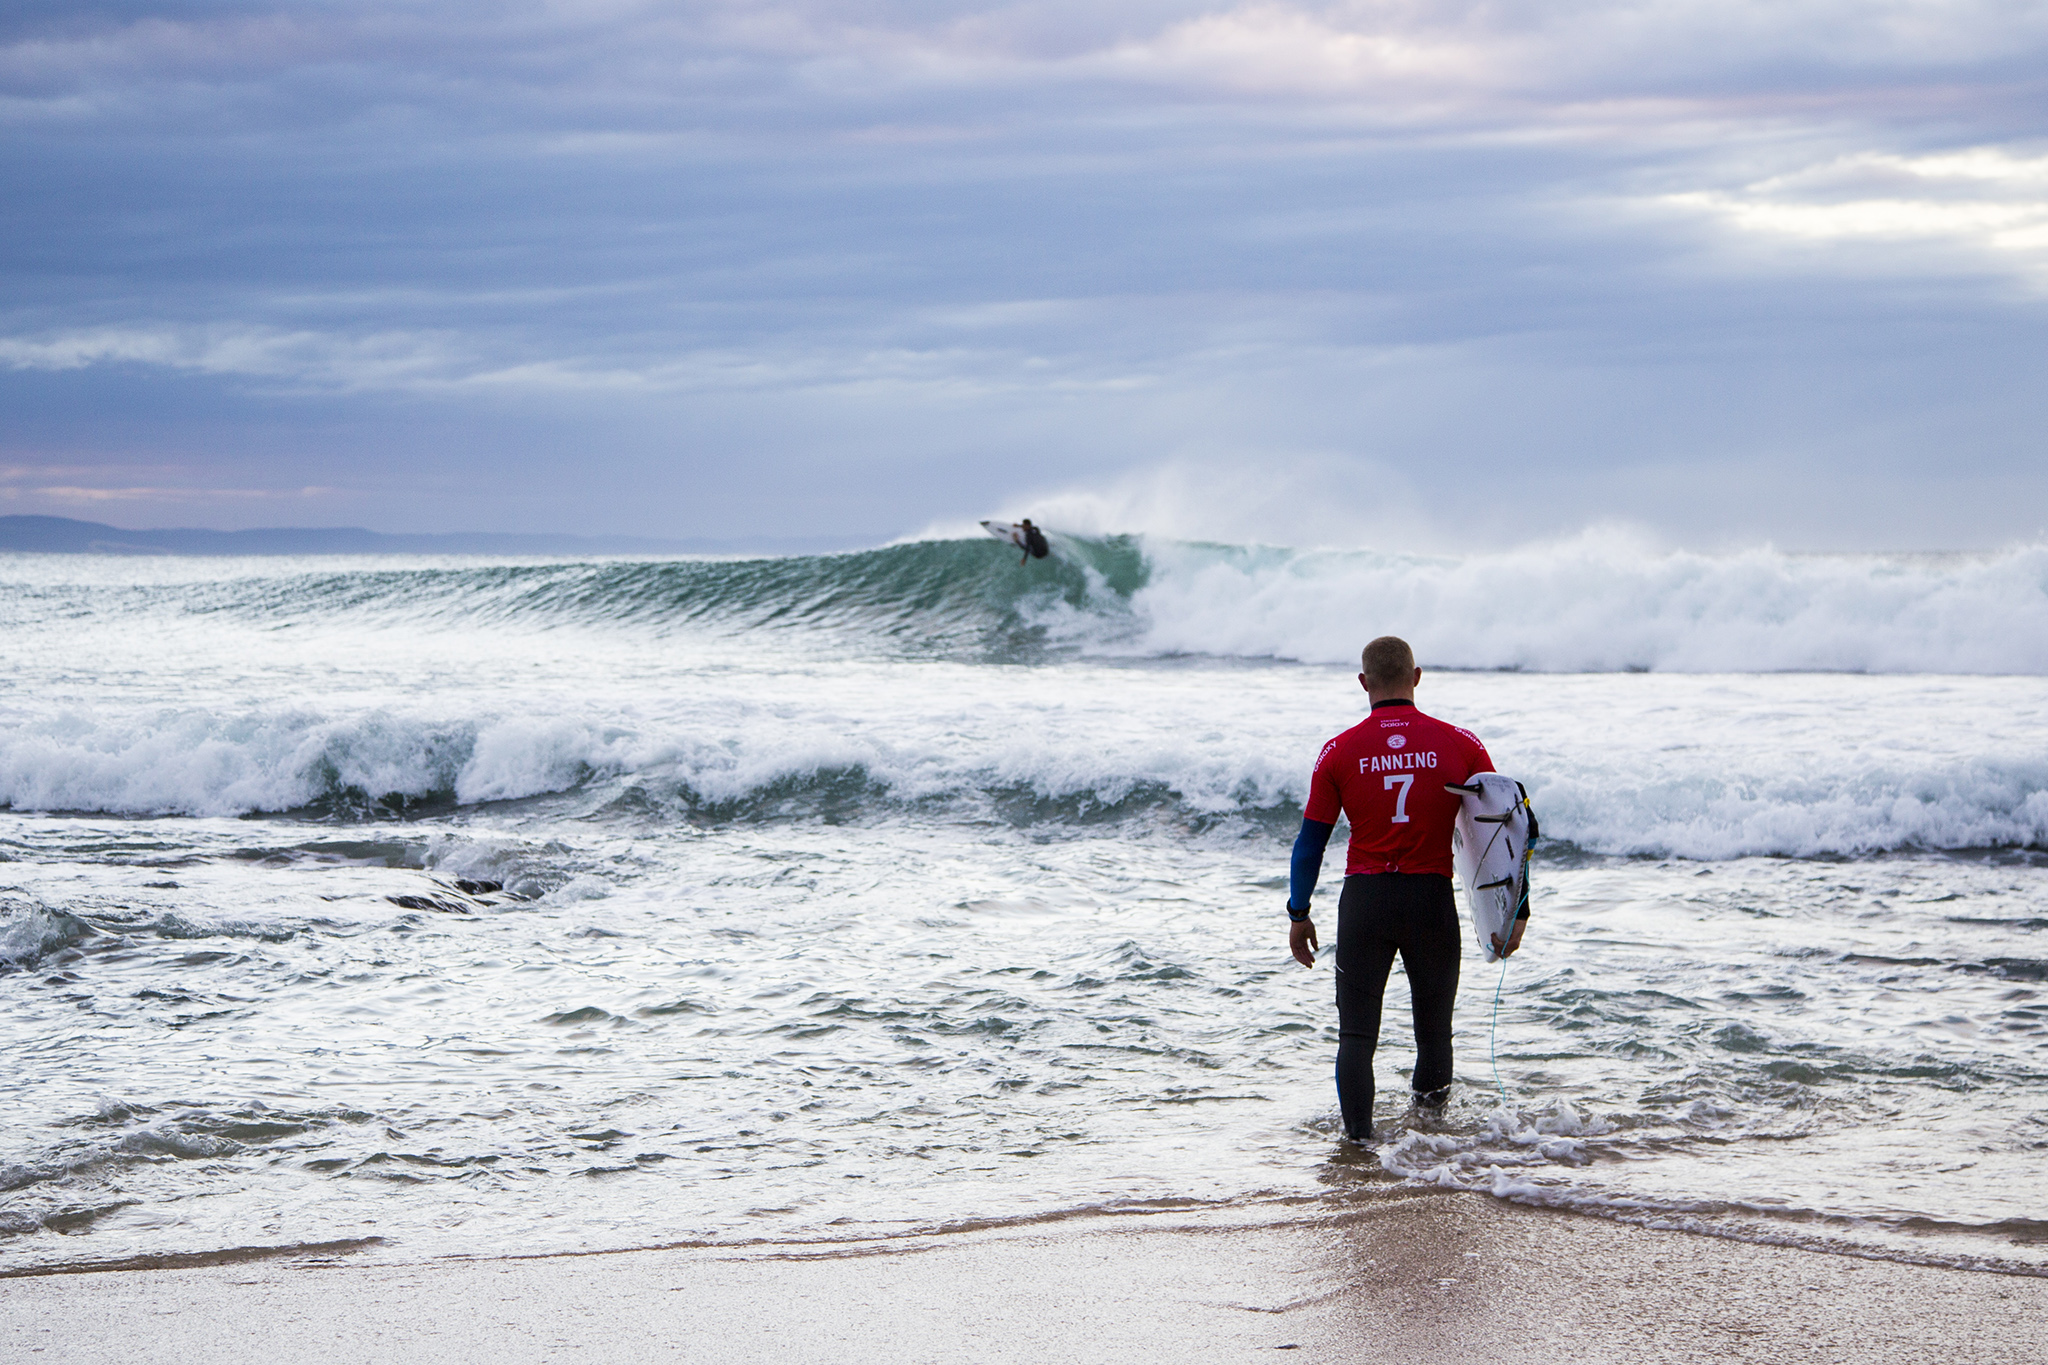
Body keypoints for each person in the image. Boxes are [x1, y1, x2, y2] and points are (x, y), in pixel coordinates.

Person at [1285, 635, 1527, 1142]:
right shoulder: (1460, 743)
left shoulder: (1339, 750)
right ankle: (1429, 1143)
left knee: (1355, 1035)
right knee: (1434, 1032)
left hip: (1365, 902)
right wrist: (1516, 909)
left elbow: (1310, 843)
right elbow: (1509, 828)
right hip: (1429, 900)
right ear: (1416, 677)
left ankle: (1357, 1146)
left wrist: (1299, 912)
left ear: (1363, 682)